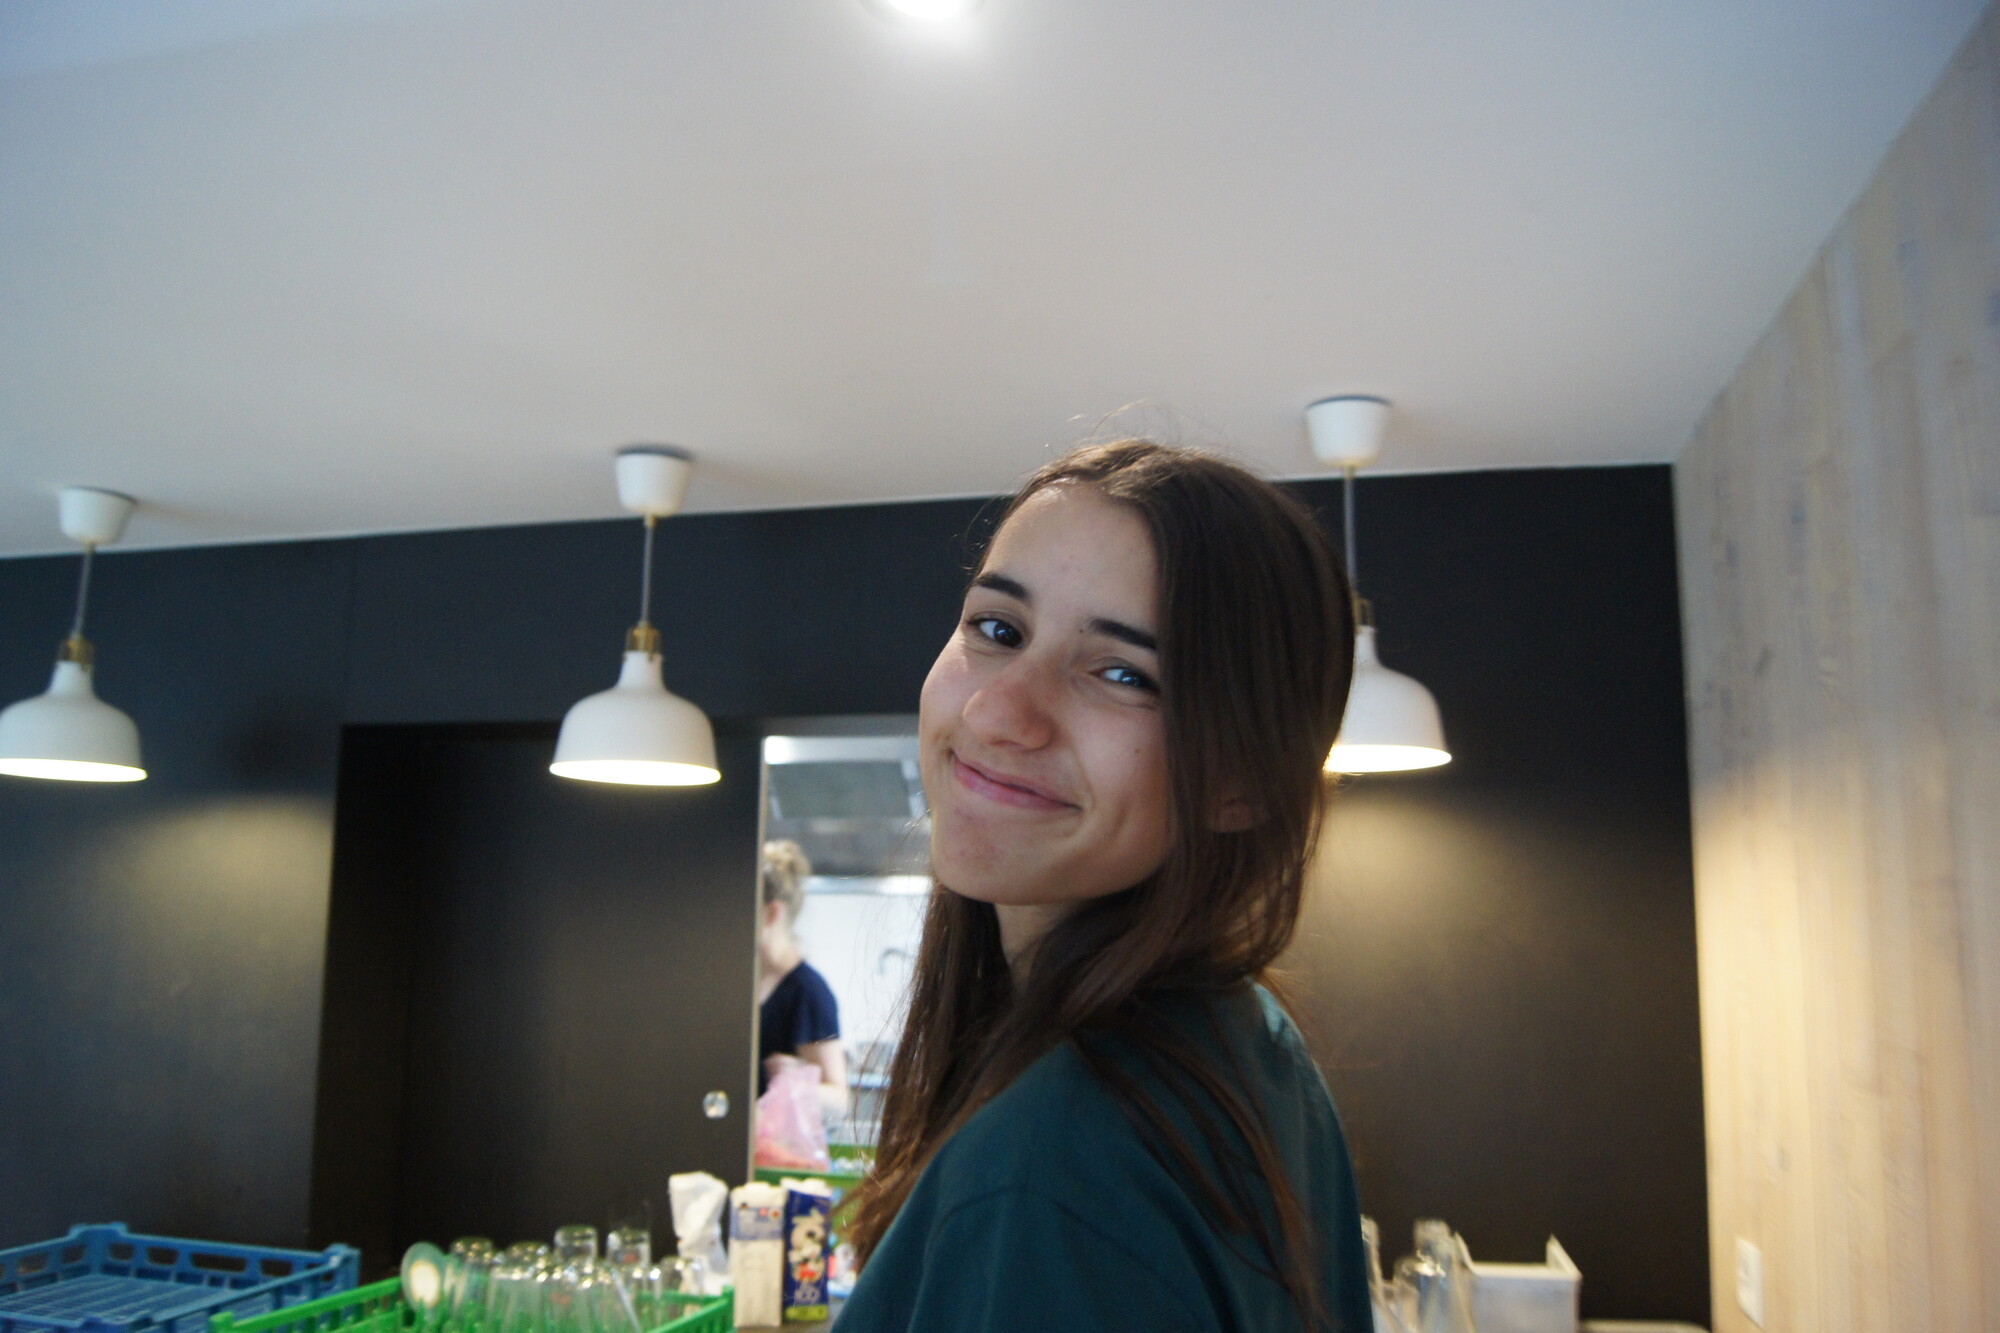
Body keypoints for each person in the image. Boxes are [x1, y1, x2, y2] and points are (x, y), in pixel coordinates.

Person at [836, 441, 1372, 1332]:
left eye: (1123, 673)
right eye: (998, 629)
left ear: (1242, 782)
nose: (996, 712)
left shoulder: (1047, 1168)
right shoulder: (1247, 1044)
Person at [756, 839, 849, 1122]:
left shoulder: (808, 991)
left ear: (771, 913)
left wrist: (798, 1082)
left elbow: (840, 1101)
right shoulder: (744, 982)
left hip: (776, 1147)